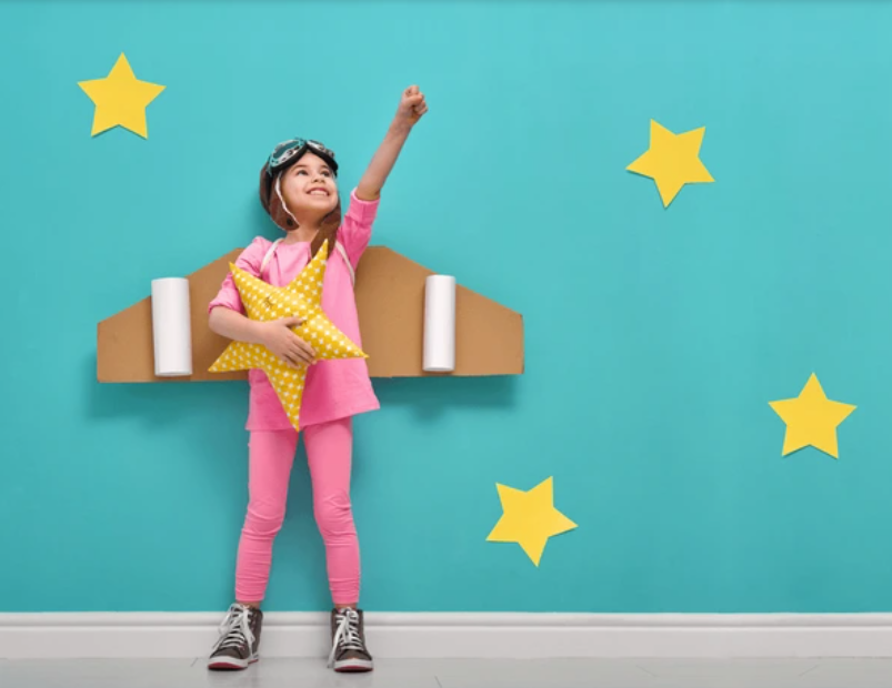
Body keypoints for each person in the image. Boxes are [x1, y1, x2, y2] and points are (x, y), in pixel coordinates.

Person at [205, 86, 428, 673]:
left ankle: (347, 623)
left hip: (331, 399)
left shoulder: (343, 244)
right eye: (303, 171)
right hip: (271, 402)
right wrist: (269, 335)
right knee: (263, 512)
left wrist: (399, 126)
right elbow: (220, 315)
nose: (320, 177)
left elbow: (370, 187)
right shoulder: (257, 255)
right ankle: (243, 621)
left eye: (326, 171)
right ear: (278, 192)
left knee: (335, 511)